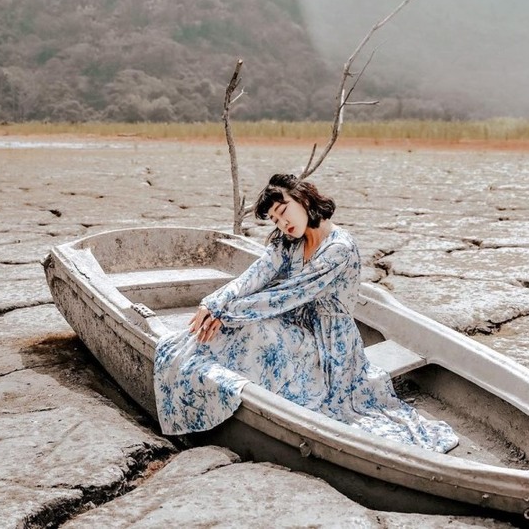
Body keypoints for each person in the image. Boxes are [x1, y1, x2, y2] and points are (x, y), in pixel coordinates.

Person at [153, 172, 458, 452]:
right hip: (296, 327)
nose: (282, 223)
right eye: (274, 220)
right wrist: (212, 302)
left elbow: (287, 294)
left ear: (303, 198)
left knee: (251, 327)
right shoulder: (290, 242)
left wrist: (227, 313)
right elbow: (254, 276)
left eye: (283, 211)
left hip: (330, 344)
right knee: (238, 328)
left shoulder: (340, 248)